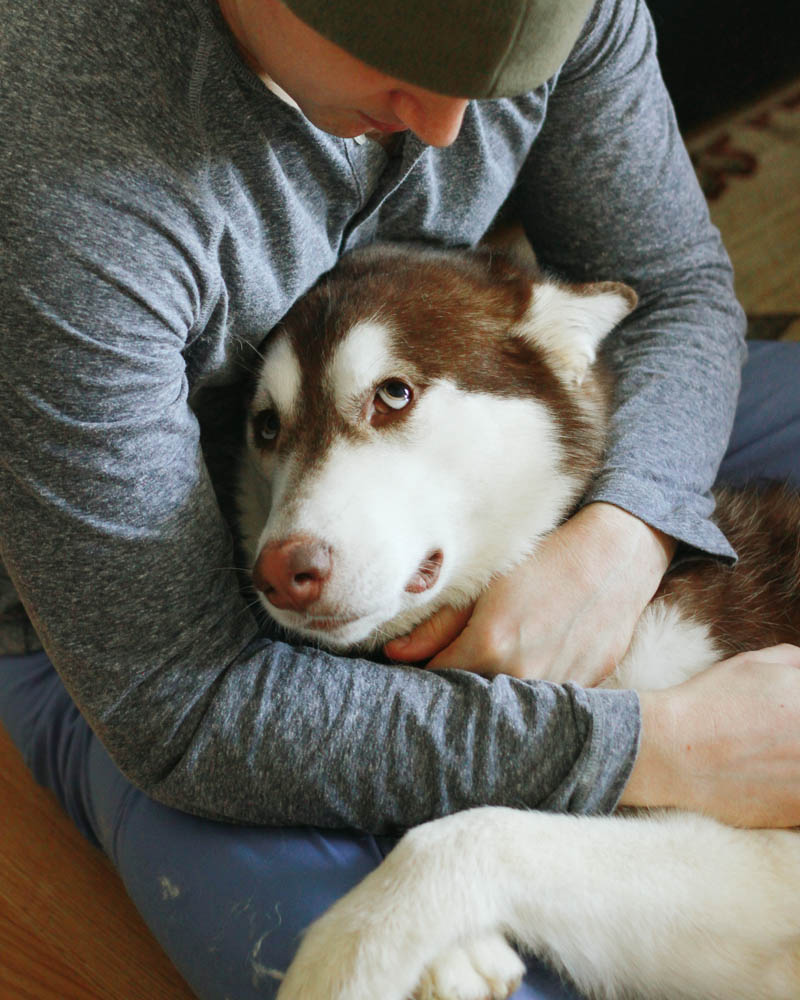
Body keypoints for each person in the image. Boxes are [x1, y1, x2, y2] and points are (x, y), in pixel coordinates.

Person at [1, 0, 800, 997]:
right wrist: (661, 750)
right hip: (160, 649)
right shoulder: (56, 179)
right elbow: (181, 700)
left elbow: (670, 285)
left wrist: (625, 528)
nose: (446, 130)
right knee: (380, 973)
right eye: (398, 64)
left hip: (486, 432)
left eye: (500, 76)